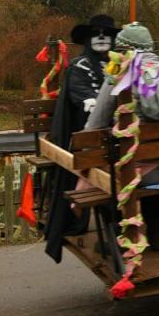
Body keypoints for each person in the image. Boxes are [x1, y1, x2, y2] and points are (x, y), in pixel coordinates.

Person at [82, 22, 159, 250]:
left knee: (100, 169)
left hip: (136, 171)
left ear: (123, 50)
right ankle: (157, 230)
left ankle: (116, 236)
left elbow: (94, 126)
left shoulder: (118, 77)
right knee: (145, 158)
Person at [43, 13, 119, 263]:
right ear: (87, 39)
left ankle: (127, 229)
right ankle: (113, 232)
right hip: (86, 141)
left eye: (106, 33)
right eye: (96, 33)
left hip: (116, 137)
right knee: (108, 173)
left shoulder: (118, 65)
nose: (101, 37)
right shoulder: (79, 67)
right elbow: (85, 101)